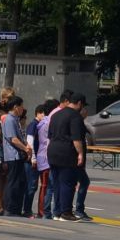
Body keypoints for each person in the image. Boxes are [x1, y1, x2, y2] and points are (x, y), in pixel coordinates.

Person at [47, 91, 86, 222]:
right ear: (79, 103)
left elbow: (50, 135)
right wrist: (80, 153)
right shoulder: (75, 116)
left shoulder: (56, 114)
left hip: (52, 150)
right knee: (68, 183)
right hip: (67, 152)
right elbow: (76, 138)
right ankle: (66, 212)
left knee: (57, 183)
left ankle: (57, 212)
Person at [1, 96, 31, 216]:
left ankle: (16, 208)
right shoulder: (9, 119)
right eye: (21, 106)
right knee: (13, 182)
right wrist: (25, 149)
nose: (22, 109)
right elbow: (12, 139)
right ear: (15, 107)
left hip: (18, 156)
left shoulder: (15, 119)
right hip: (12, 156)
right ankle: (9, 208)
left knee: (20, 182)